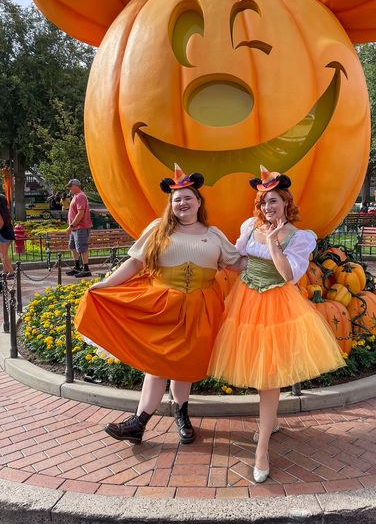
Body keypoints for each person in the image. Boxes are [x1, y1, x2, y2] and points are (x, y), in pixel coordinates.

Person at [74, 164, 242, 446]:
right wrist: (106, 284)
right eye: (177, 199)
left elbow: (236, 263)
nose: (182, 203)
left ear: (199, 202)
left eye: (188, 197)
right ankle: (139, 422)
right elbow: (135, 262)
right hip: (162, 305)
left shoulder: (214, 234)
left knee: (185, 366)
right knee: (157, 365)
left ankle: (180, 415)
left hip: (201, 308)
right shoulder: (158, 229)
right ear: (171, 204)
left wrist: (269, 258)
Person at [208, 166, 346, 483]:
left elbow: (288, 276)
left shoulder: (300, 237)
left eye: (273, 201)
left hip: (277, 306)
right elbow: (236, 258)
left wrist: (272, 244)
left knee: (269, 375)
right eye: (263, 202)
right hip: (246, 302)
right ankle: (270, 422)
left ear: (285, 202)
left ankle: (262, 450)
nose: (268, 208)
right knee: (259, 373)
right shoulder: (248, 226)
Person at [65, 179, 93, 278]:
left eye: (70, 186)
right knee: (72, 247)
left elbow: (80, 213)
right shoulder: (75, 196)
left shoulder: (80, 196)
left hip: (80, 227)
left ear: (76, 186)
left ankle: (86, 269)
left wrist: (71, 226)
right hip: (75, 228)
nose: (69, 188)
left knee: (82, 248)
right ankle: (77, 267)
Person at [0, 194, 15, 278]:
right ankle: (5, 270)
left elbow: (0, 223)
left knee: (3, 255)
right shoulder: (6, 210)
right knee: (2, 254)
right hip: (8, 233)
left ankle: (11, 272)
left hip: (3, 234)